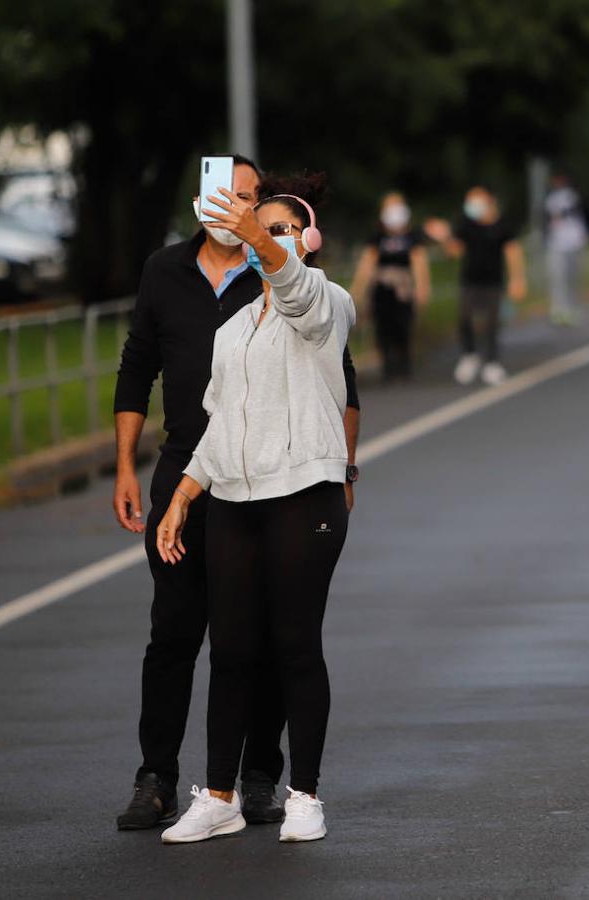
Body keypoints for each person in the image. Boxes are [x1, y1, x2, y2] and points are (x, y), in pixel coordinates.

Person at [111, 156, 361, 832]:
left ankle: (299, 797)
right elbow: (219, 426)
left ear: (303, 244)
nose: (268, 235)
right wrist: (184, 496)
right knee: (227, 649)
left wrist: (258, 237)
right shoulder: (233, 329)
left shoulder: (325, 304)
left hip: (302, 496)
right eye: (260, 224)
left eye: (282, 228)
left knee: (293, 647)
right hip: (233, 499)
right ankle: (214, 798)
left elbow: (298, 293)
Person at [424, 187, 527, 386]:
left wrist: (518, 279)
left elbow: (513, 253)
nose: (472, 206)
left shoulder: (502, 226)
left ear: (488, 202)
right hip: (470, 281)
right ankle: (470, 355)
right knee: (465, 318)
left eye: (476, 201)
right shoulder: (466, 225)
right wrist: (445, 237)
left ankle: (492, 362)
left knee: (492, 323)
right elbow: (455, 252)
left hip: (494, 282)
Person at [349, 192, 430, 383]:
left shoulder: (412, 237)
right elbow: (367, 264)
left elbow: (419, 262)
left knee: (403, 326)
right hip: (382, 289)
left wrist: (422, 287)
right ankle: (388, 367)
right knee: (382, 327)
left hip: (403, 289)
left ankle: (405, 366)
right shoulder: (377, 237)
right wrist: (357, 290)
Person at [542, 173, 589, 326]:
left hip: (574, 243)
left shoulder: (574, 197)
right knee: (558, 278)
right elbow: (547, 220)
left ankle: (573, 308)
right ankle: (558, 309)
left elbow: (584, 215)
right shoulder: (550, 200)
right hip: (557, 244)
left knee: (573, 278)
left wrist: (585, 234)